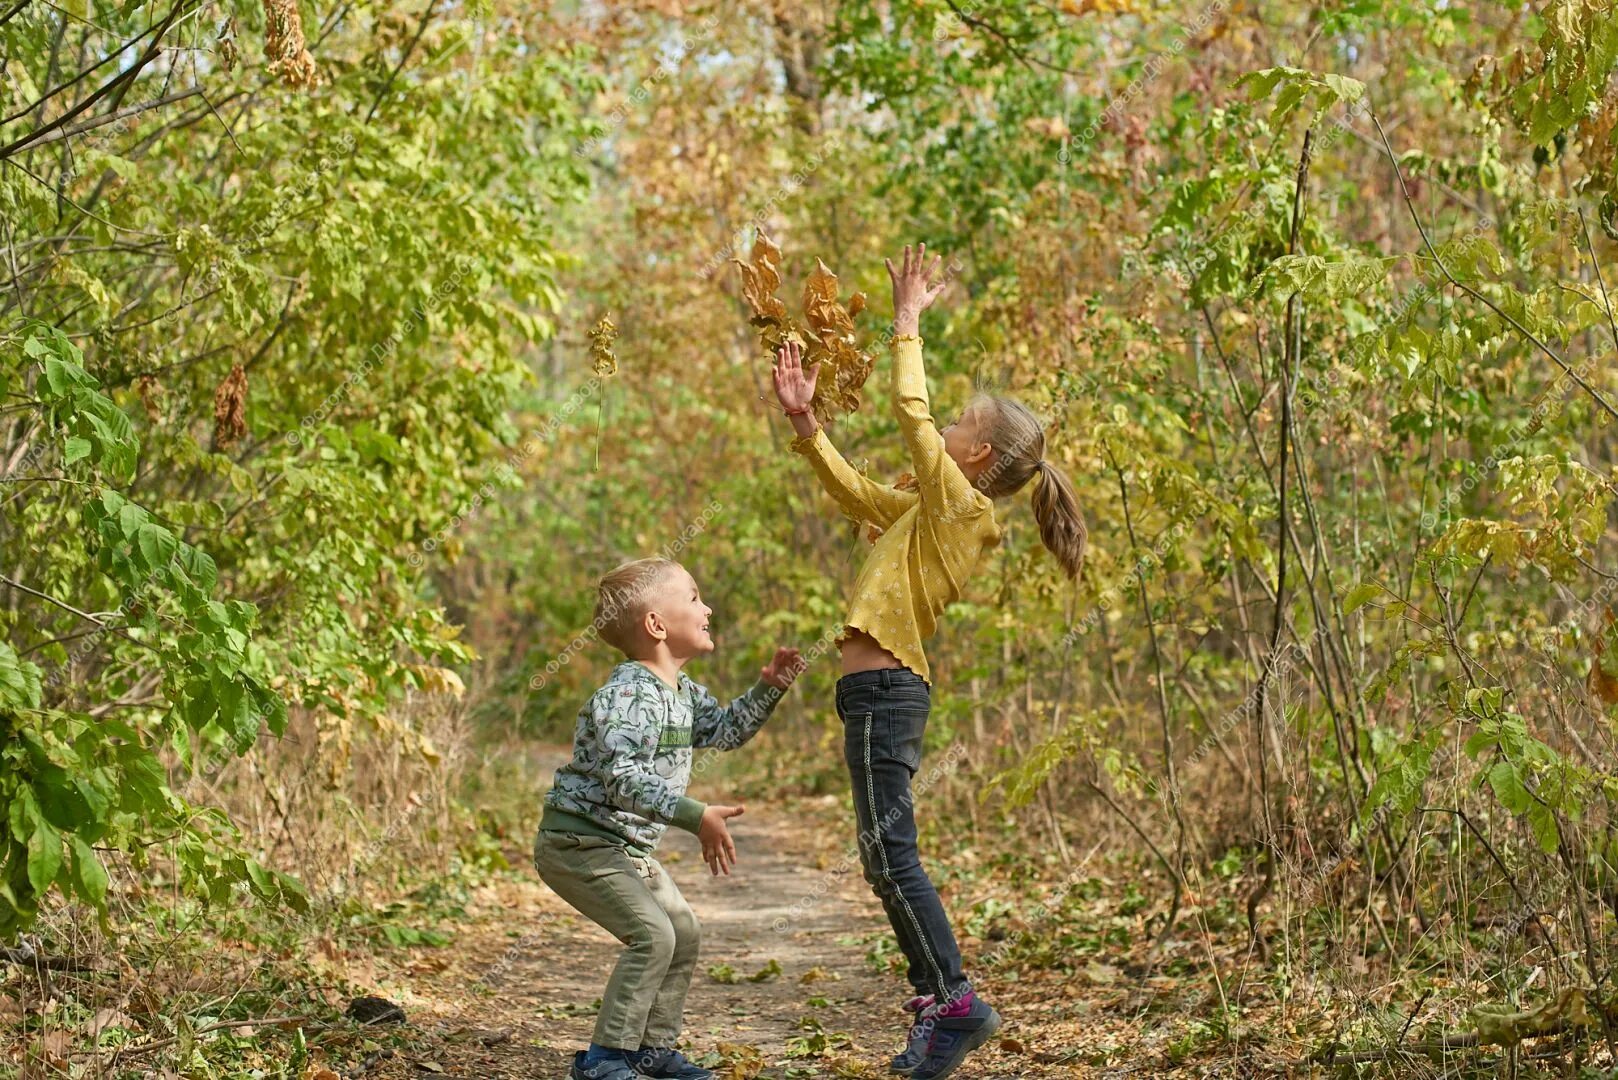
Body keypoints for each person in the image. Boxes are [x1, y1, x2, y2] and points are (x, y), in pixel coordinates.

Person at [772, 244, 1086, 1079]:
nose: (942, 430)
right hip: (874, 692)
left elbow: (913, 416)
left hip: (885, 689)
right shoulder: (937, 509)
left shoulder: (961, 502)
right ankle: (939, 1001)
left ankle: (956, 1003)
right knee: (882, 855)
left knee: (890, 854)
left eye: (958, 429)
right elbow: (863, 497)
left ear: (976, 456)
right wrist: (808, 431)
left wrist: (907, 321)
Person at [534, 557, 803, 1080]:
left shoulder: (683, 693)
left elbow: (724, 731)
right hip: (579, 843)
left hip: (624, 849)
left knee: (684, 930)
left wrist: (768, 689)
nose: (709, 607)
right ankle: (603, 1059)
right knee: (653, 935)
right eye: (695, 597)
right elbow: (623, 781)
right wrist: (696, 815)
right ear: (657, 625)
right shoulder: (629, 695)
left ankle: (650, 1050)